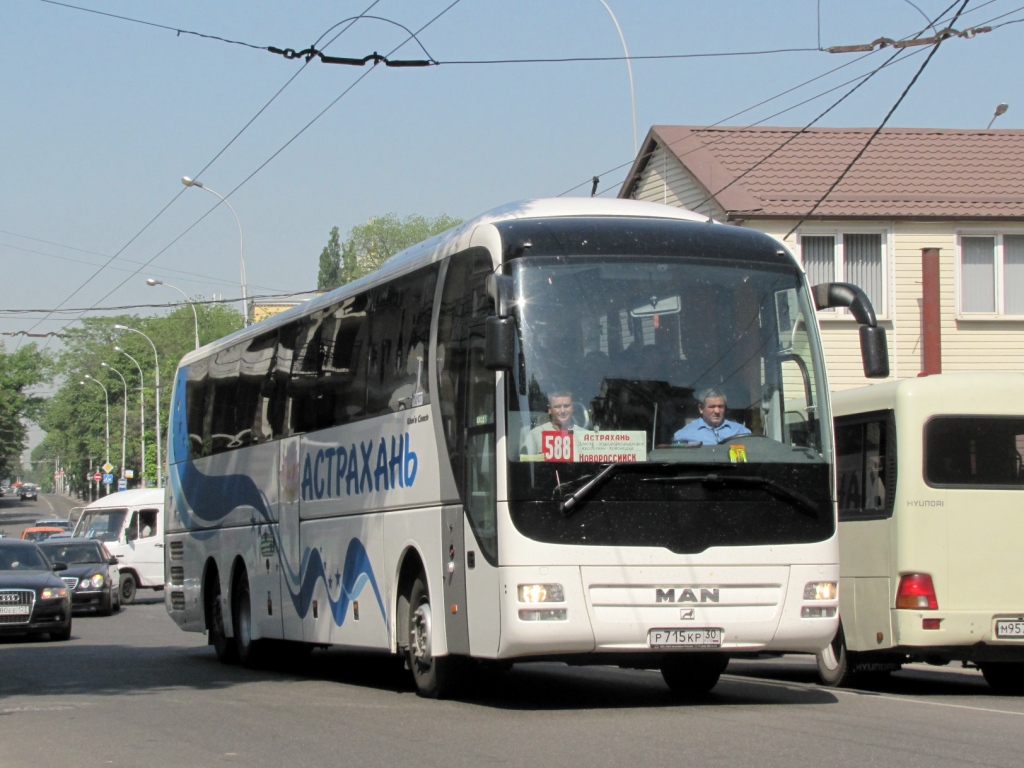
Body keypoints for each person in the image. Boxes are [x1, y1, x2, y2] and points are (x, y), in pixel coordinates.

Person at [521, 389, 589, 457]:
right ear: (550, 409)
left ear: (572, 408)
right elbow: (524, 463)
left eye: (566, 406)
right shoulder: (535, 435)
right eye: (558, 406)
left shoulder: (584, 435)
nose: (562, 411)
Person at [672, 387, 750, 445]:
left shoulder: (740, 431)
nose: (717, 411)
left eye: (720, 406)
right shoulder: (685, 433)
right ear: (701, 409)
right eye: (712, 407)